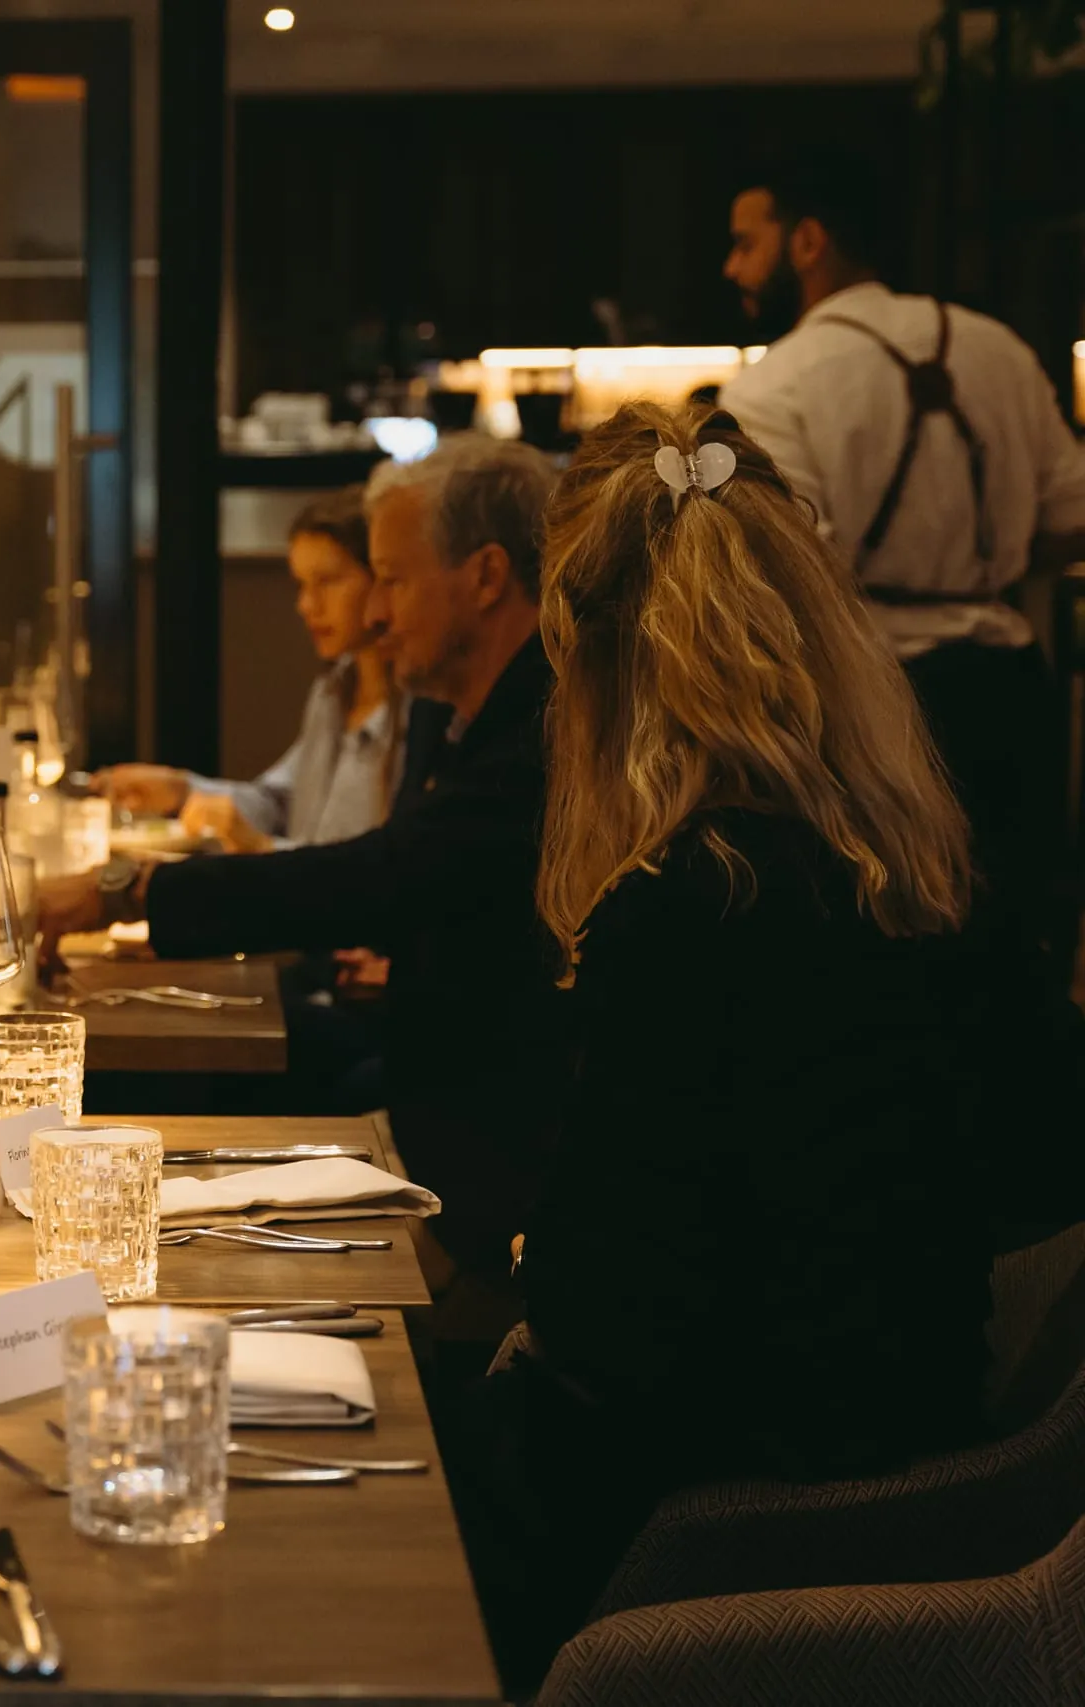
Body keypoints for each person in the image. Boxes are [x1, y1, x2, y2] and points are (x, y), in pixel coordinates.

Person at [448, 402, 991, 1689]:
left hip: (744, 1492)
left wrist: (536, 1256)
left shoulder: (687, 906)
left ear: (593, 666)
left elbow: (613, 1339)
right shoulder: (902, 877)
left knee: (367, 1505)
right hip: (924, 1446)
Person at [39, 435, 564, 1326]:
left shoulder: (537, 732)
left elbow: (377, 873)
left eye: (391, 579)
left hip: (479, 1194)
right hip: (429, 1135)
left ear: (484, 577)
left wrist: (127, 888)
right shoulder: (460, 715)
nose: (377, 615)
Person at [719, 150, 1085, 980]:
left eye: (746, 241)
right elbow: (1075, 520)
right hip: (1011, 688)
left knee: (893, 966)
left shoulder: (773, 388)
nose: (731, 265)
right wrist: (979, 556)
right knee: (1019, 961)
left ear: (807, 240)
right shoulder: (996, 347)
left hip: (875, 706)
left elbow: (789, 572)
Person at [100, 486, 405, 850]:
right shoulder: (333, 690)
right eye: (301, 585)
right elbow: (278, 801)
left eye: (327, 581)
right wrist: (180, 790)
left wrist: (263, 849)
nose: (307, 605)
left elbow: (377, 875)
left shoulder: (418, 718)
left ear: (381, 581)